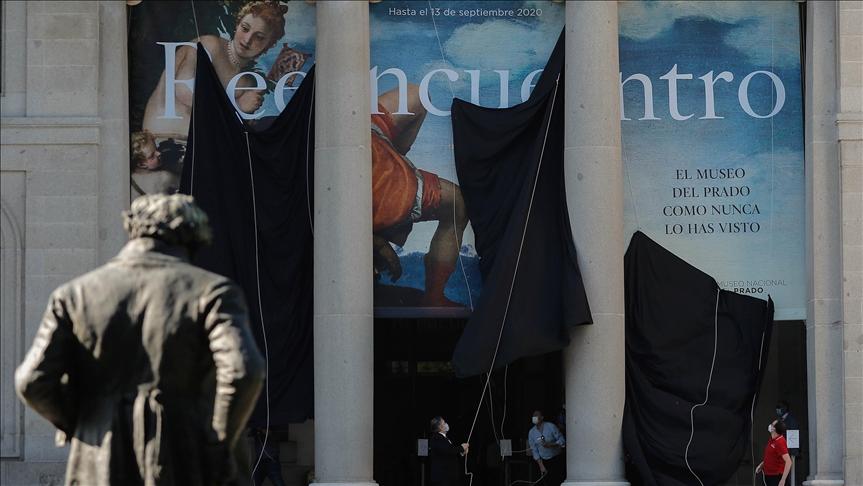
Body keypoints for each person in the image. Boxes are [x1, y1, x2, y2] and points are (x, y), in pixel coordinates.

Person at [14, 194, 266, 485]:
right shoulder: (213, 292)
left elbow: (32, 381)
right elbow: (245, 370)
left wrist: (87, 422)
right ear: (192, 238)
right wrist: (218, 439)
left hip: (98, 458)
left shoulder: (74, 295)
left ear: (132, 230)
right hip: (187, 454)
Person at [371, 86, 469, 306]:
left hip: (369, 141)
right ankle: (434, 297)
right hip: (379, 182)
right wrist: (376, 243)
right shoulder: (391, 197)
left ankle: (393, 157)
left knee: (417, 95)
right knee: (457, 204)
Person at [142, 1, 288, 141]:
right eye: (245, 28)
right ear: (237, 25)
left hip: (203, 142)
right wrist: (238, 106)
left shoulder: (247, 80)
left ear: (269, 45)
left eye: (259, 37)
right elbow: (185, 93)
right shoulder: (210, 46)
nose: (248, 39)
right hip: (165, 139)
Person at [130, 129, 181, 197]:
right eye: (152, 156)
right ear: (142, 164)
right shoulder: (164, 177)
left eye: (156, 149)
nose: (159, 153)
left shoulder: (130, 177)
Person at [429, 416, 469, 486]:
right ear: (440, 427)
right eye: (444, 423)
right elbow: (448, 450)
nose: (446, 424)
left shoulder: (445, 438)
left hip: (448, 477)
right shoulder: (436, 438)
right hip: (442, 477)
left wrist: (461, 453)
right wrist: (461, 448)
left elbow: (449, 453)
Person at [528, 410, 565, 485]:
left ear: (542, 418)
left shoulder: (551, 426)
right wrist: (541, 466)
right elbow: (534, 450)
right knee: (547, 482)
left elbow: (562, 440)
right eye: (533, 416)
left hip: (556, 458)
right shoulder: (532, 432)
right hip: (543, 461)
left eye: (536, 415)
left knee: (558, 481)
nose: (534, 417)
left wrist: (551, 444)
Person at [755, 419, 792, 486]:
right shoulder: (772, 439)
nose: (770, 425)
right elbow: (771, 456)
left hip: (776, 477)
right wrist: (762, 464)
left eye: (772, 424)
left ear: (775, 429)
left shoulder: (780, 442)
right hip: (768, 476)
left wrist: (783, 480)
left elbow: (788, 461)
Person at [776, 401, 800, 485]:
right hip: (781, 454)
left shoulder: (791, 421)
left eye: (779, 407)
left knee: (791, 477)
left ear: (785, 408)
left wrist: (793, 453)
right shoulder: (780, 420)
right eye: (777, 407)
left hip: (789, 453)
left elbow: (793, 437)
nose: (777, 409)